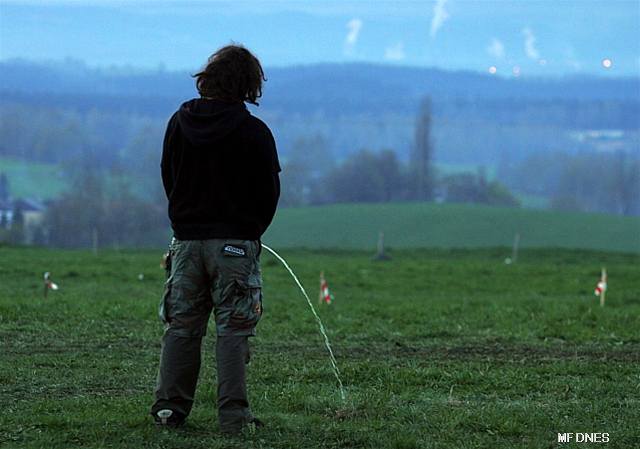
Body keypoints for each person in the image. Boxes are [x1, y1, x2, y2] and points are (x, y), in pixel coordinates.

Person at [150, 44, 281, 434]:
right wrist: (249, 232)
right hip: (236, 246)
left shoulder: (179, 122)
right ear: (249, 85)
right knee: (234, 330)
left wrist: (186, 224)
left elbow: (168, 176)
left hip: (187, 243)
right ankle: (234, 419)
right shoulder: (255, 131)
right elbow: (269, 191)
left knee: (182, 327)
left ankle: (169, 411)